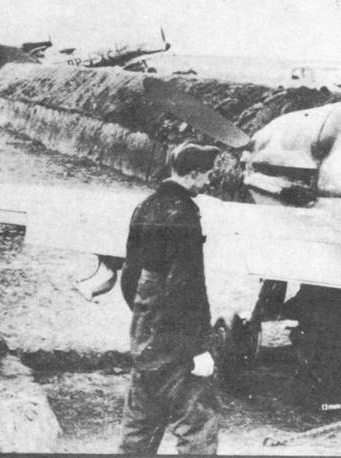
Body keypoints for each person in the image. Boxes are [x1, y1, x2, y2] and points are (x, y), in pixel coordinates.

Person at [118, 141, 221, 455]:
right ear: (193, 174)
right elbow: (187, 287)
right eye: (207, 175)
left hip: (145, 336)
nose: (208, 182)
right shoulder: (185, 214)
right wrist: (199, 348)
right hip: (177, 343)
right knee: (197, 426)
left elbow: (130, 275)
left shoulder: (145, 206)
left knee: (139, 427)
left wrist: (145, 319)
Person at [282, 284, 341, 407]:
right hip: (338, 348)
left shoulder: (307, 294)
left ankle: (325, 393)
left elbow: (286, 311)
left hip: (320, 348)